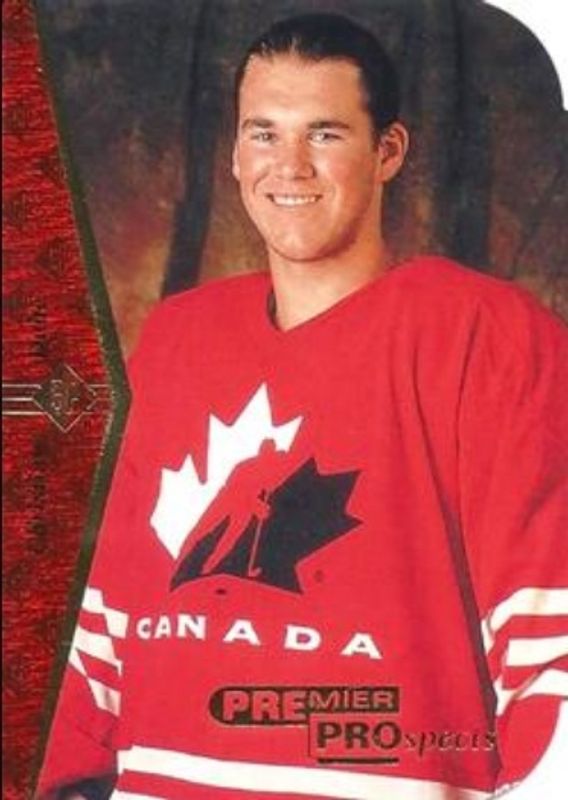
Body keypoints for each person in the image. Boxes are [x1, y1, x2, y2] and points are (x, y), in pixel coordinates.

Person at [37, 13, 567, 800]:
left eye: (324, 133)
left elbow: (547, 641)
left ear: (388, 151)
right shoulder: (180, 339)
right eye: (263, 133)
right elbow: (107, 614)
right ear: (234, 154)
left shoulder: (486, 335)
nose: (289, 166)